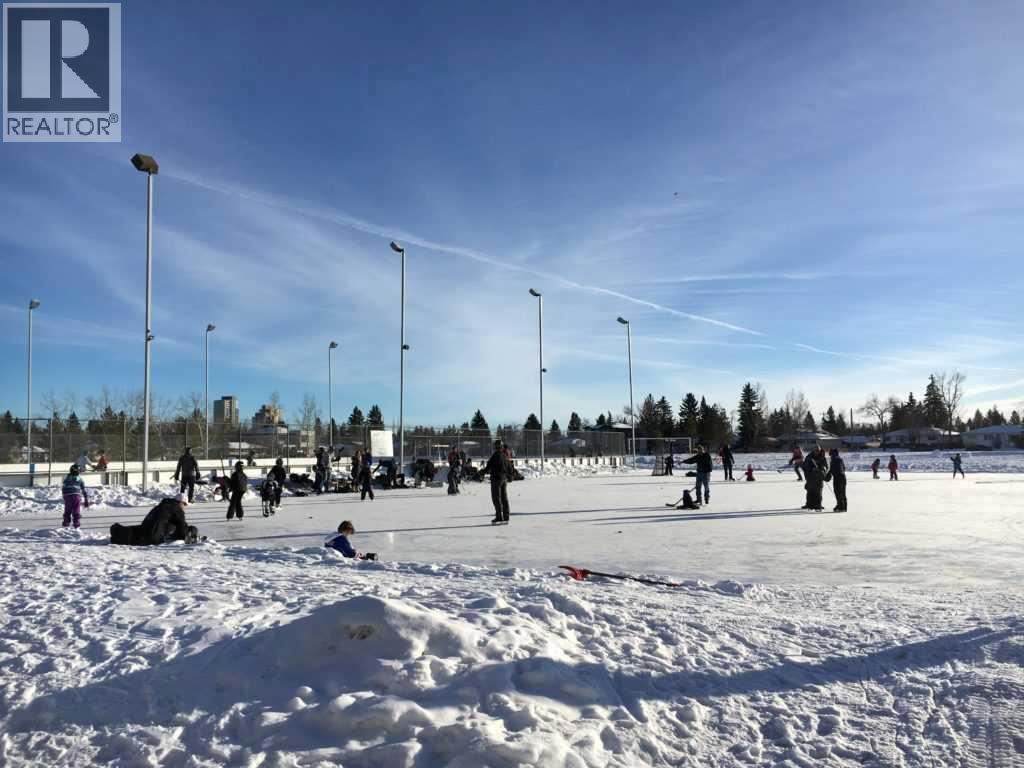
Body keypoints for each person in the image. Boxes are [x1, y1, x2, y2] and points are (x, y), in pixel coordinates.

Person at [110, 493, 197, 546]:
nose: (185, 507)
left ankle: (118, 531)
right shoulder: (176, 508)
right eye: (185, 505)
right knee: (141, 540)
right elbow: (181, 524)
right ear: (181, 502)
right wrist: (186, 536)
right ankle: (119, 536)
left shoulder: (163, 505)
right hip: (154, 531)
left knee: (137, 532)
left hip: (146, 525)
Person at [482, 439, 513, 524]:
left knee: (496, 498)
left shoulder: (495, 455)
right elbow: (510, 466)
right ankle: (506, 516)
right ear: (502, 447)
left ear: (495, 447)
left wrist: (481, 473)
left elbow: (488, 467)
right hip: (504, 480)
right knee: (504, 498)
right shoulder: (504, 456)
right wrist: (510, 476)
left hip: (496, 479)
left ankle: (499, 517)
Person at [61, 464, 90, 528]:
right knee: (76, 510)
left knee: (67, 510)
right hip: (76, 496)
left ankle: (66, 524)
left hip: (67, 495)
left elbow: (63, 487)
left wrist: (64, 496)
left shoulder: (66, 478)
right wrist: (86, 499)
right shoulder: (80, 479)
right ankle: (76, 525)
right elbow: (83, 489)